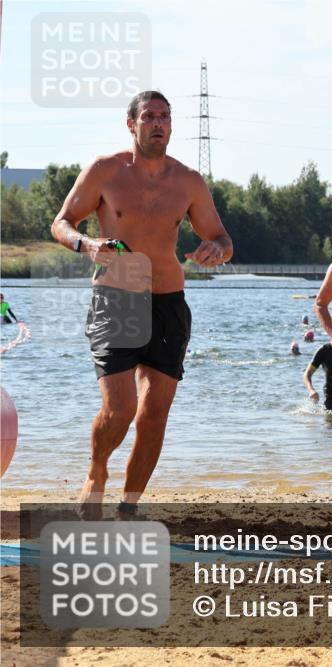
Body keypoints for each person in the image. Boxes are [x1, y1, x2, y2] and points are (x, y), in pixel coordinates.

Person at [50, 90, 233, 520]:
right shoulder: (105, 171)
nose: (158, 124)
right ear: (130, 124)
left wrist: (216, 252)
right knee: (121, 409)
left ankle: (128, 507)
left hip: (169, 302)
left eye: (165, 117)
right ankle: (97, 472)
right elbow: (61, 222)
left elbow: (223, 239)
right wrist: (87, 243)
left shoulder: (188, 181)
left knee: (153, 416)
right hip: (116, 298)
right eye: (149, 116)